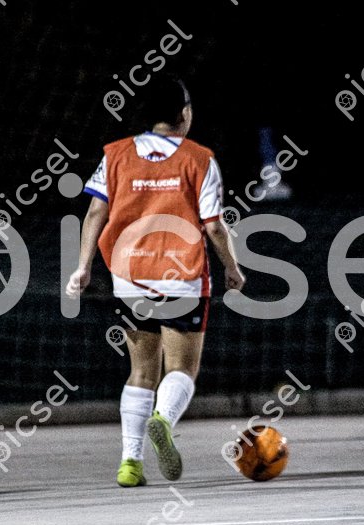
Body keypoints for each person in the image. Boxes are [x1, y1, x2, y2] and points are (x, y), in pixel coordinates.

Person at [66, 75, 245, 487]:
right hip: (181, 278)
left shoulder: (115, 154)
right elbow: (214, 226)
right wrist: (232, 267)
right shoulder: (199, 158)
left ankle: (130, 464)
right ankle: (163, 419)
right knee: (181, 368)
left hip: (129, 277)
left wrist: (83, 266)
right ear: (184, 114)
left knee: (140, 372)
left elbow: (94, 213)